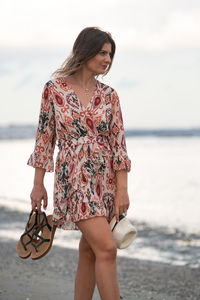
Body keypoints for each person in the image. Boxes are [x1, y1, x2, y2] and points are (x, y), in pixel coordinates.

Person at [27, 26, 131, 300]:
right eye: (101, 52)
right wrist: (38, 185)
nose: (107, 59)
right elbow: (44, 140)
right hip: (73, 180)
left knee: (90, 251)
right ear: (84, 51)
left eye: (110, 54)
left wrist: (122, 189)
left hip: (105, 181)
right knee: (107, 249)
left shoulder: (110, 95)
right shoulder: (54, 89)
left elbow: (119, 145)